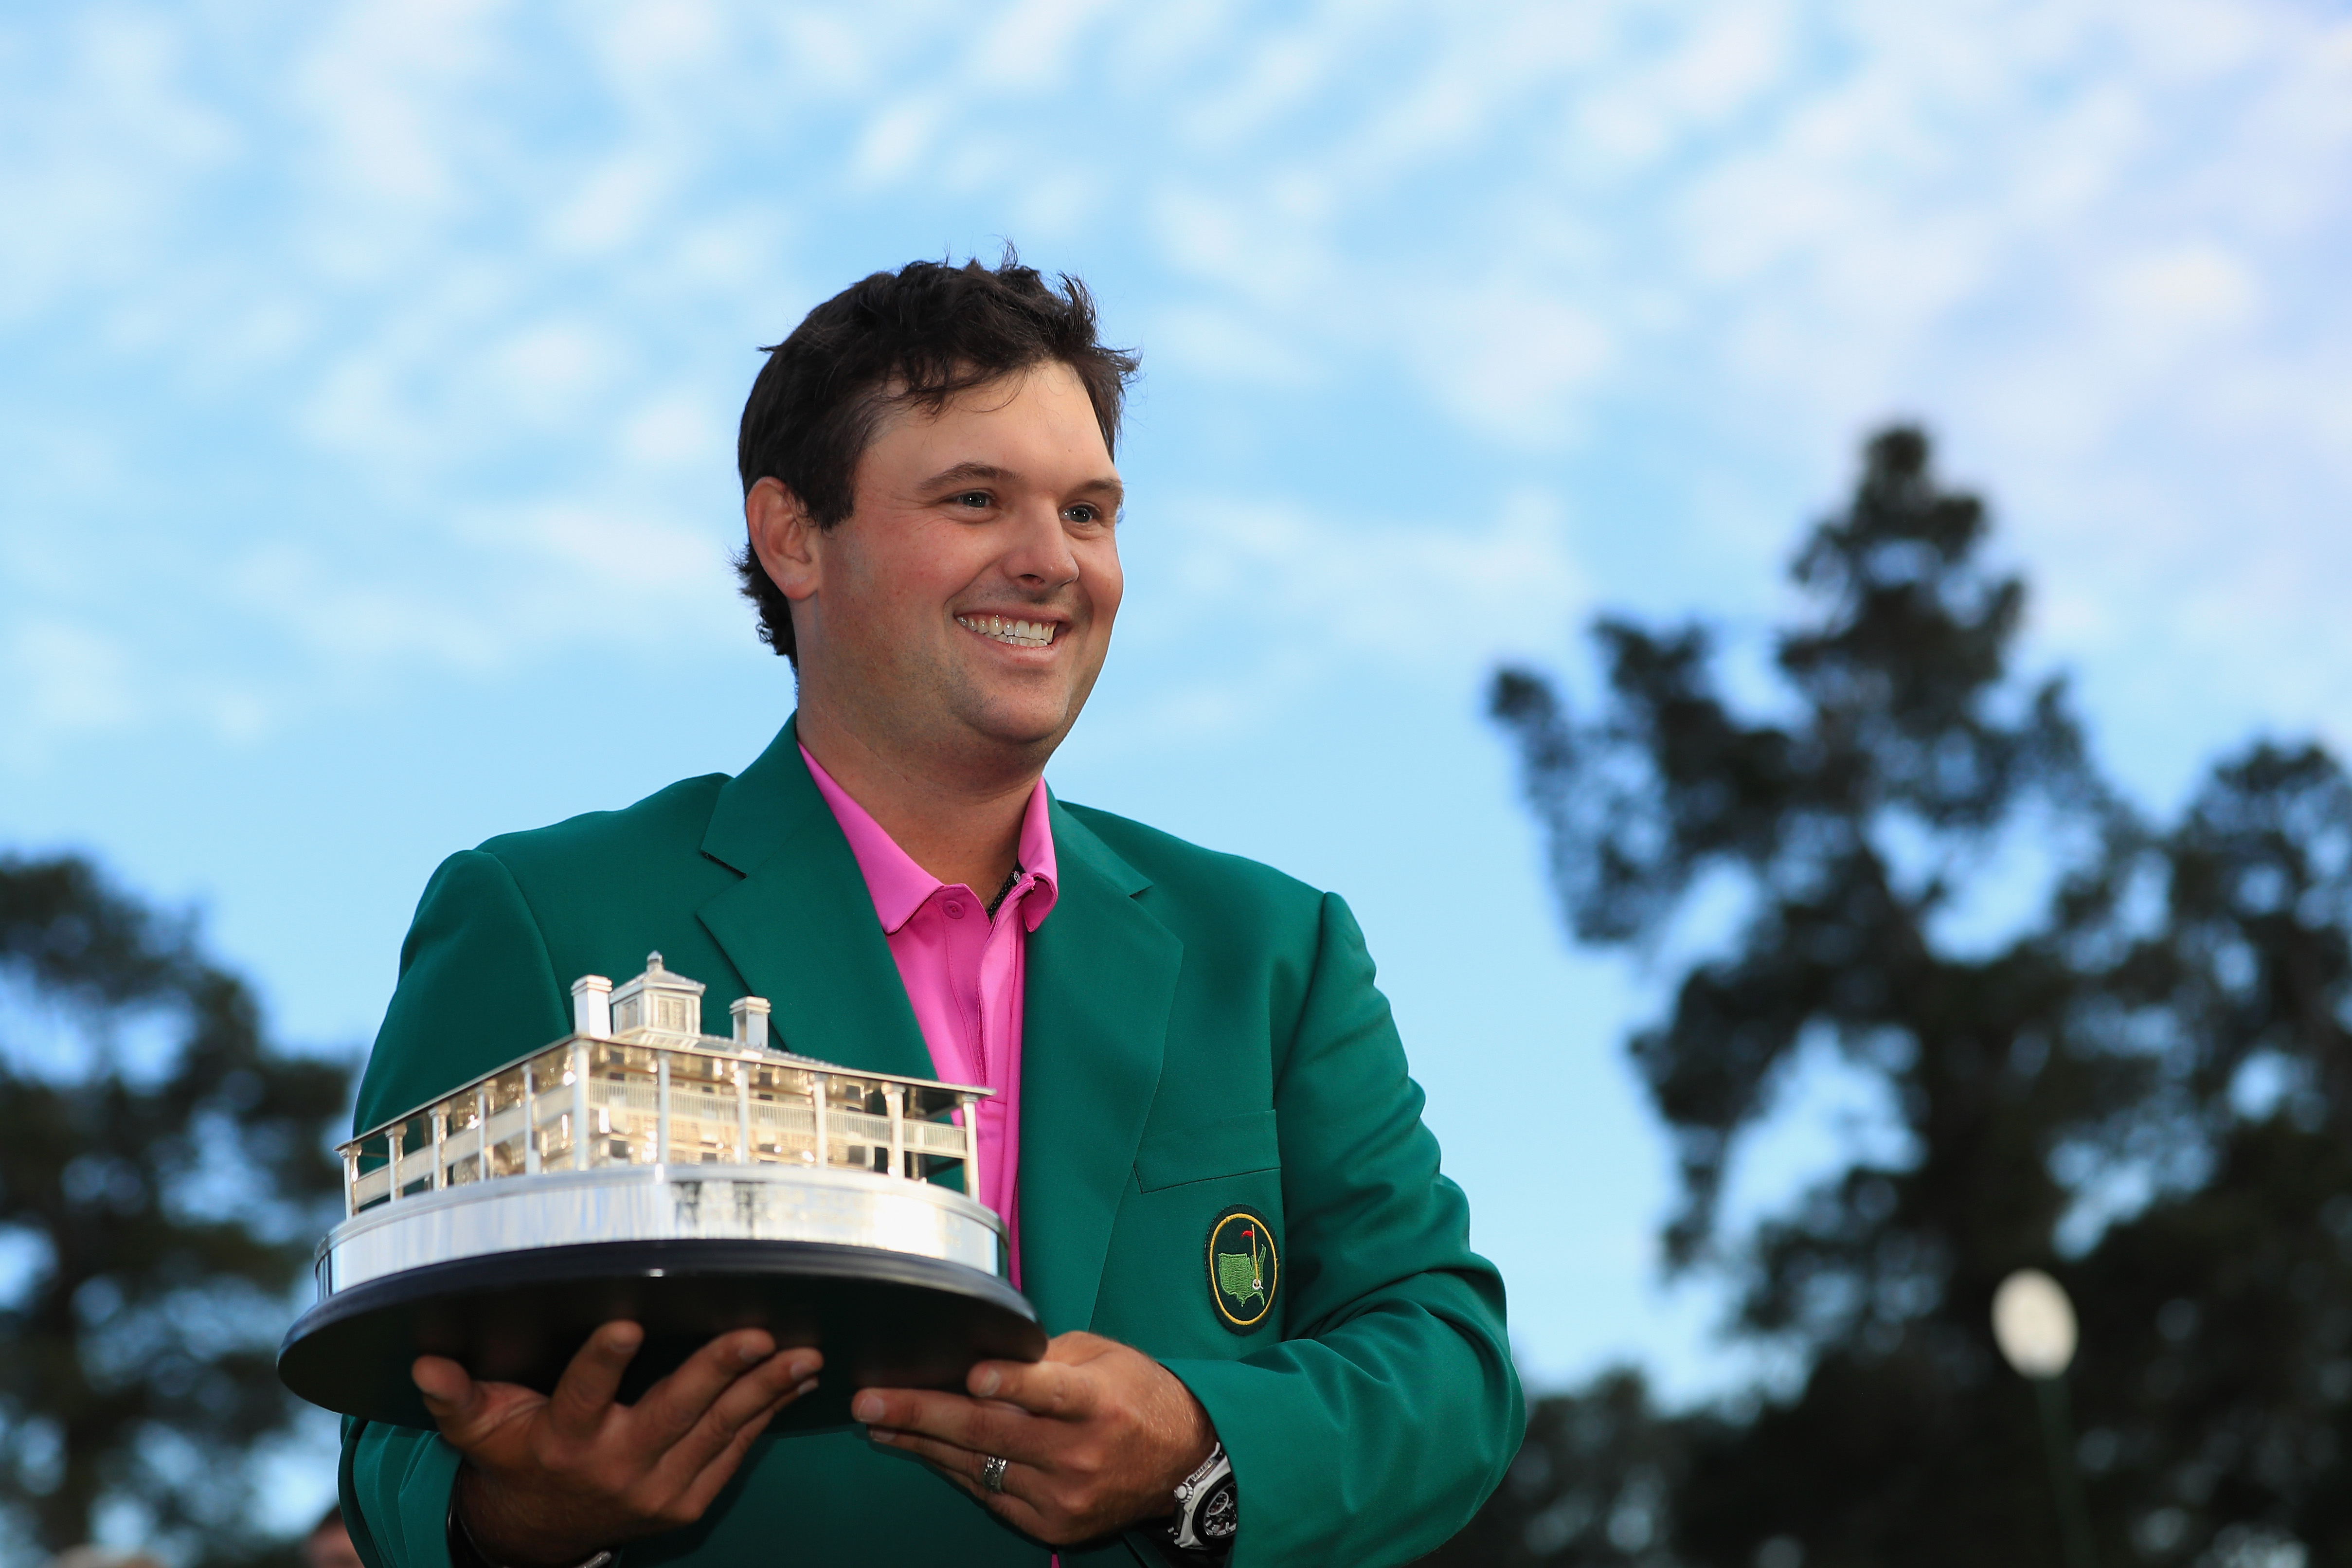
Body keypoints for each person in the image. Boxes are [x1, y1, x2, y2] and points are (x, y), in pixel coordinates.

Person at [338, 255, 1520, 1568]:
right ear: (793, 536)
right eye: (974, 501)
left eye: (1088, 512)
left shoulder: (1275, 950)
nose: (1049, 563)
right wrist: (516, 1517)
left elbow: (1447, 1366)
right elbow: (388, 1424)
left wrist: (1199, 1443)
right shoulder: (539, 913)